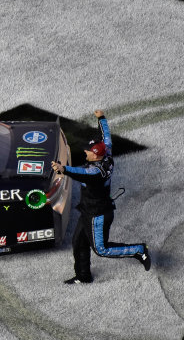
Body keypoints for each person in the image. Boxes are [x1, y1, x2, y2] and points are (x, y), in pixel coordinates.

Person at [51, 109, 151, 285]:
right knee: (79, 242)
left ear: (96, 155)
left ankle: (138, 250)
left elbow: (79, 173)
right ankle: (83, 276)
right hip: (90, 209)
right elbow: (106, 137)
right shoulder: (107, 152)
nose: (85, 152)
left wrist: (63, 169)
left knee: (102, 249)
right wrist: (101, 118)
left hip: (98, 214)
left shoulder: (96, 172)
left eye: (88, 151)